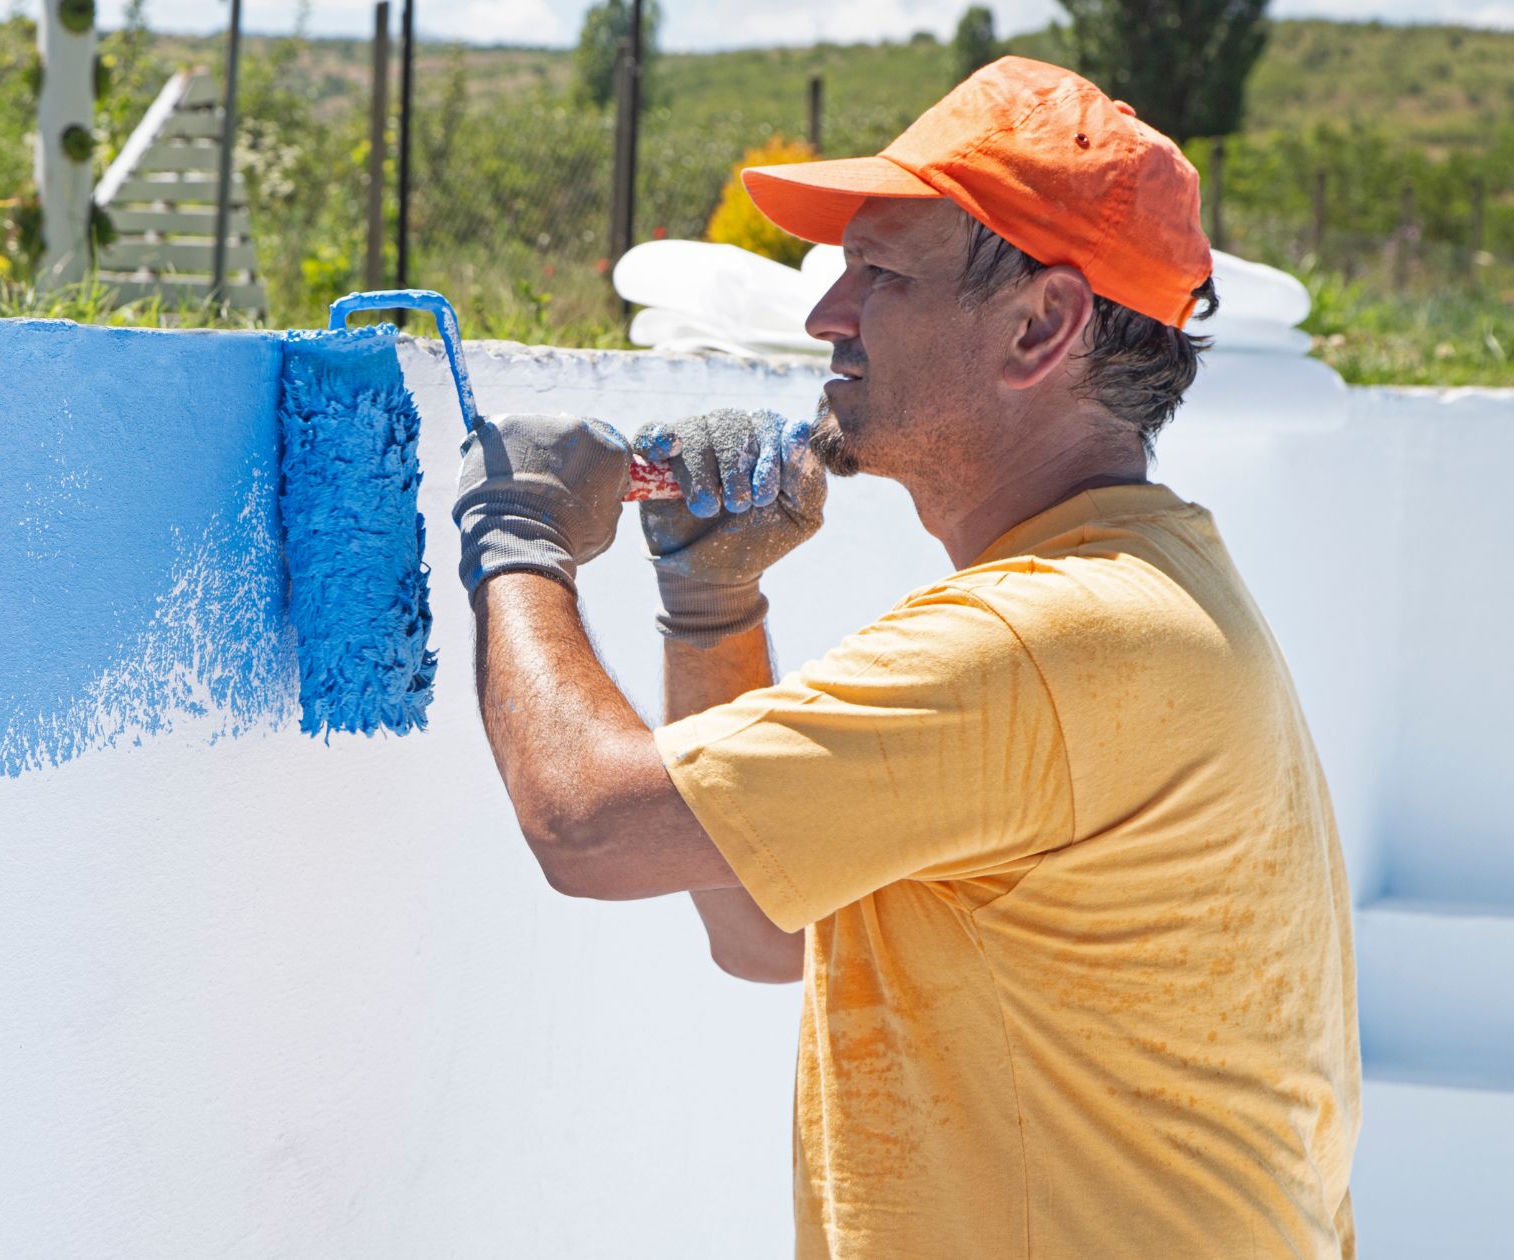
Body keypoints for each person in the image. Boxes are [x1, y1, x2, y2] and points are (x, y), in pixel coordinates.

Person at [453, 57, 1359, 1259]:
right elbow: (767, 936)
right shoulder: (1139, 595)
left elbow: (586, 824)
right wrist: (713, 607)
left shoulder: (1048, 641)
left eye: (877, 272)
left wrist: (517, 537)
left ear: (1040, 323)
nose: (826, 313)